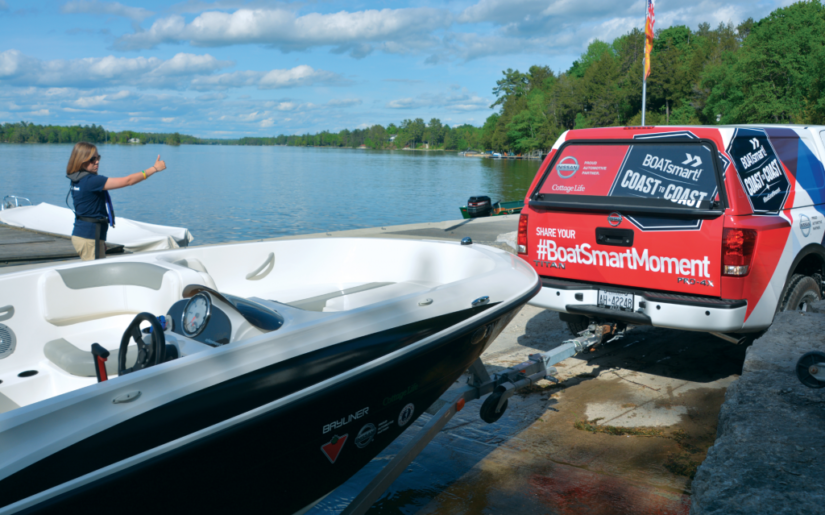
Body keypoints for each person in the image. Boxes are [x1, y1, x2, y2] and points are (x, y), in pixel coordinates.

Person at [65, 141, 167, 260]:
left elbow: (91, 209)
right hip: (89, 238)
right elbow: (128, 181)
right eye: (92, 159)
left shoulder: (77, 178)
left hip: (86, 235)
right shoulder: (92, 181)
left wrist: (100, 241)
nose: (97, 161)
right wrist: (154, 168)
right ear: (82, 160)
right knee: (96, 276)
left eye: (98, 157)